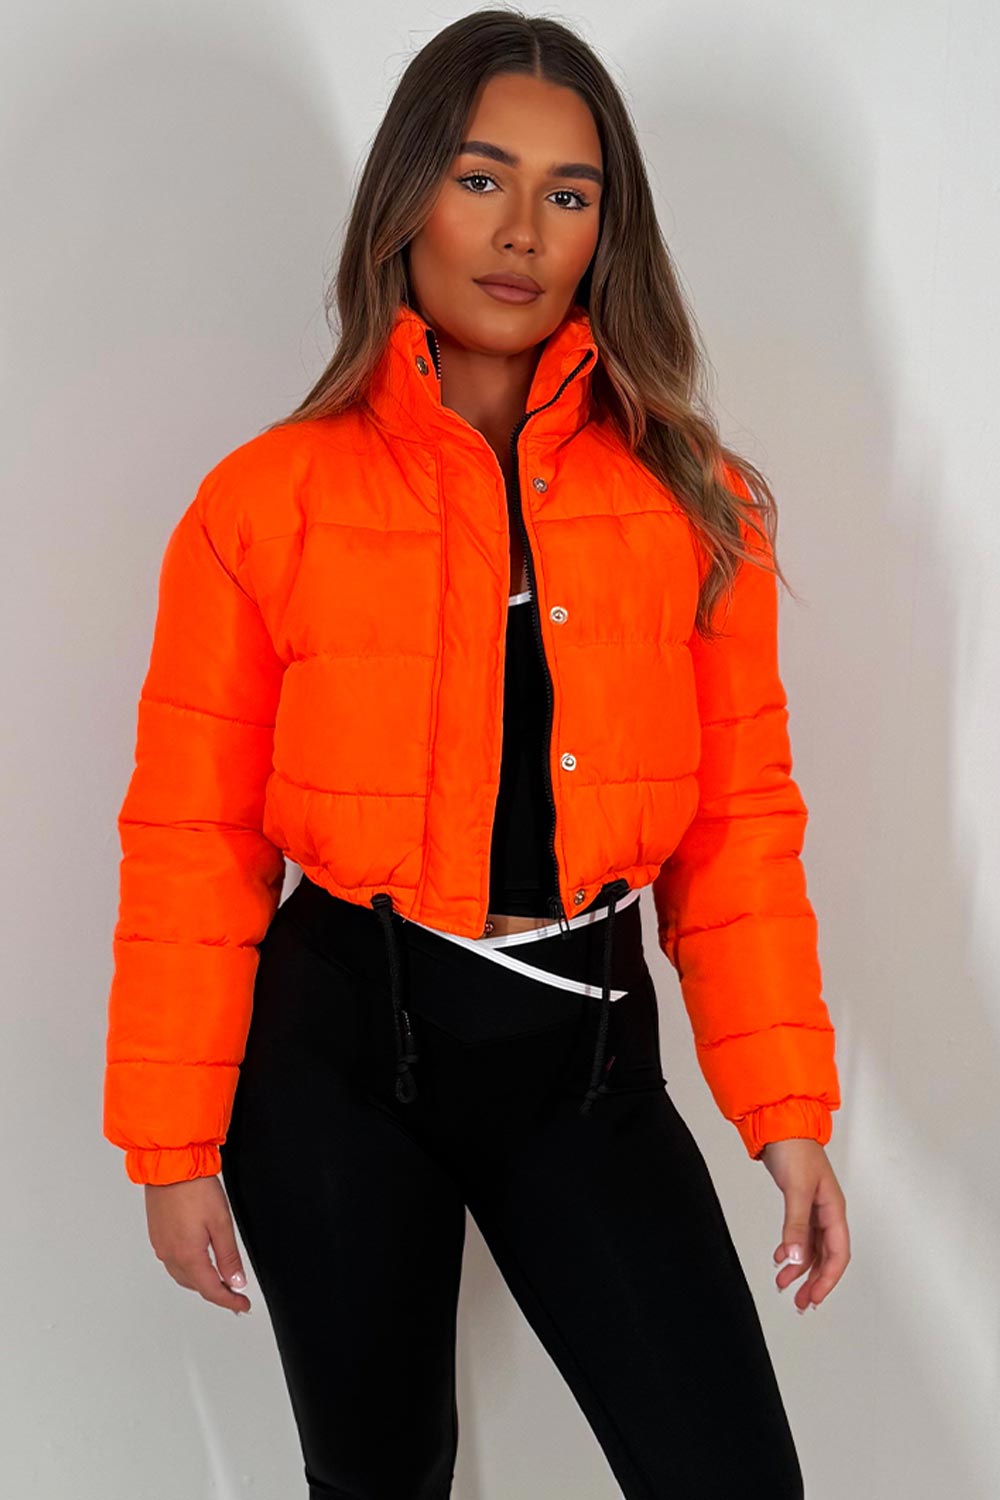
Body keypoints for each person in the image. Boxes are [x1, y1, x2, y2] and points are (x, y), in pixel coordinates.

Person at [103, 10, 850, 1497]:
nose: (522, 232)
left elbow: (739, 834)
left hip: (584, 1057)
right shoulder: (266, 503)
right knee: (380, 1480)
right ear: (408, 199)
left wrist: (788, 1119)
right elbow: (194, 836)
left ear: (606, 231)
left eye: (568, 193)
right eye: (480, 177)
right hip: (333, 1062)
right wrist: (170, 1143)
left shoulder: (697, 506)